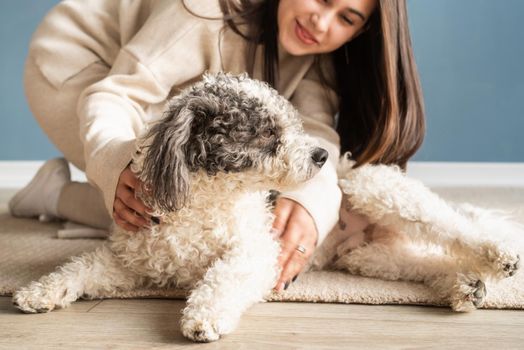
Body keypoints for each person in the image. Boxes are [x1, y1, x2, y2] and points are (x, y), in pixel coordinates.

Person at [9, 0, 425, 293]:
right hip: (76, 64)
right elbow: (117, 95)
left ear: (361, 31)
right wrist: (113, 162)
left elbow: (316, 136)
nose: (322, 22)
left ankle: (53, 191)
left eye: (346, 18)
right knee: (146, 198)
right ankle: (57, 195)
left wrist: (313, 200)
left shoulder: (318, 56)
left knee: (202, 207)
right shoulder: (203, 10)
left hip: (155, 82)